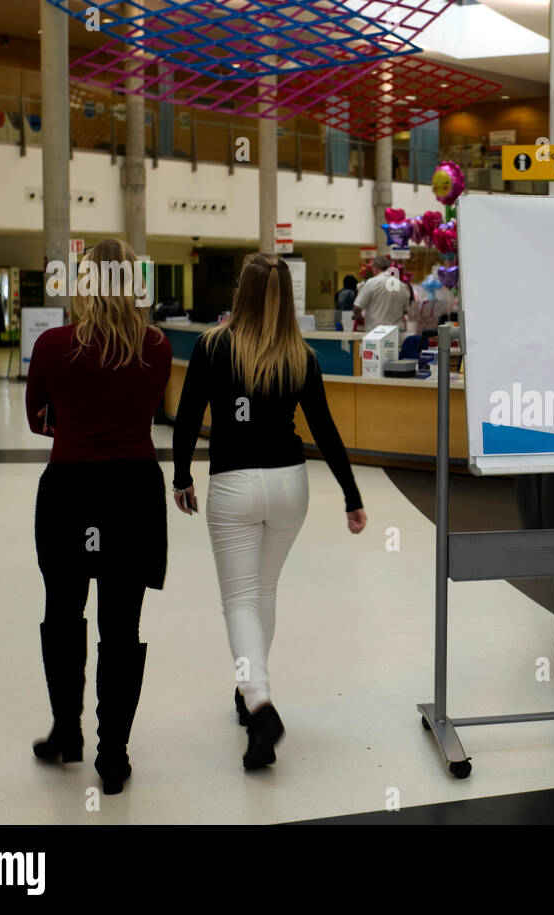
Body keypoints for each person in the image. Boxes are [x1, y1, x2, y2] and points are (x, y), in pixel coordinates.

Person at [172, 252, 366, 771]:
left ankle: (259, 703)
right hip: (290, 486)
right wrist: (351, 495)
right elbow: (324, 429)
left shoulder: (213, 347)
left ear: (243, 293)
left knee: (239, 599)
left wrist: (181, 475)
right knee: (263, 591)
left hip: (234, 484)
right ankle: (248, 690)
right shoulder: (301, 356)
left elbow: (188, 415)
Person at [26, 239, 172, 796]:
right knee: (121, 625)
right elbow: (150, 408)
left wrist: (71, 427)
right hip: (132, 491)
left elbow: (37, 420)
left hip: (70, 489)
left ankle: (67, 731)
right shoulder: (155, 348)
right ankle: (114, 754)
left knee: (62, 613)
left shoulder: (53, 344)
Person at [353, 256, 410, 332]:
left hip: (375, 332)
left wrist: (360, 318)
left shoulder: (372, 283)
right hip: (396, 332)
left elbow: (357, 307)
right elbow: (405, 311)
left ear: (375, 267)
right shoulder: (402, 286)